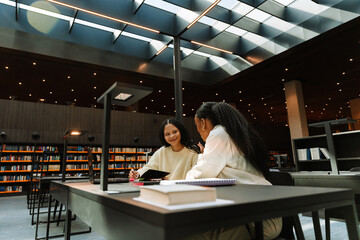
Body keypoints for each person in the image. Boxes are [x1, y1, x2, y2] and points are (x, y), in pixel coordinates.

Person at [185, 102, 282, 240]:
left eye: (197, 127)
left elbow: (198, 176)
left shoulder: (218, 134)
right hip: (266, 213)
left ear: (203, 123)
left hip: (256, 220)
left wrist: (202, 158)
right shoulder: (236, 133)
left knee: (187, 230)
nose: (199, 133)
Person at [129, 118, 199, 180]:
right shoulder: (162, 151)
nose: (172, 136)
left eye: (175, 132)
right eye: (167, 134)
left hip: (185, 191)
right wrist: (137, 174)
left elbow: (195, 177)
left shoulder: (192, 152)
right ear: (164, 137)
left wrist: (169, 182)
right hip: (164, 189)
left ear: (181, 131)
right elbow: (149, 167)